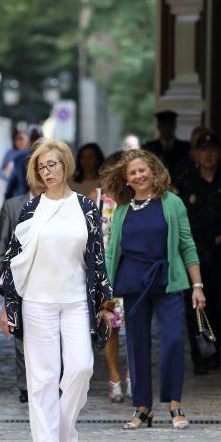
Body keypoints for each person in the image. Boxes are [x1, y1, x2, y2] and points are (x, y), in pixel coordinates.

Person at [0, 139, 114, 442]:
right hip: (37, 301)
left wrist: (105, 302)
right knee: (43, 377)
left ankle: (65, 430)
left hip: (76, 298)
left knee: (81, 367)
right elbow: (12, 257)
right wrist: (8, 302)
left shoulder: (86, 207)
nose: (47, 172)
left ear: (66, 165)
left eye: (52, 164)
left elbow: (97, 257)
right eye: (41, 166)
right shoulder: (31, 208)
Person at [102, 149, 206, 430]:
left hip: (167, 279)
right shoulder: (123, 208)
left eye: (142, 170)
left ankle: (174, 403)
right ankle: (142, 407)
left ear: (154, 171)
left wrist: (197, 285)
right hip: (133, 282)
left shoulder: (172, 203)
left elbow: (187, 245)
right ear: (126, 179)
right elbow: (112, 251)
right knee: (136, 343)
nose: (139, 176)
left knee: (173, 339)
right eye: (132, 173)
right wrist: (106, 291)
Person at [176, 132, 221, 374]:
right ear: (195, 153)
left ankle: (214, 350)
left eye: (212, 149)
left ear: (219, 152)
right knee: (193, 304)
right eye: (202, 149)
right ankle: (199, 356)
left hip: (220, 251)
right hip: (192, 252)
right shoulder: (185, 180)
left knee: (218, 303)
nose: (208, 154)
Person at [0, 188, 40, 404]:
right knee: (20, 333)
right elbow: (2, 239)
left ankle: (51, 381)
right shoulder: (12, 205)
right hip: (19, 276)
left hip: (51, 277)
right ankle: (26, 386)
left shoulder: (62, 202)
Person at [93, 151, 129, 403]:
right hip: (106, 275)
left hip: (132, 271)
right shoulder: (96, 199)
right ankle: (114, 377)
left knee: (136, 327)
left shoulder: (136, 200)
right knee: (110, 327)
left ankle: (132, 375)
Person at [143, 110, 191, 175]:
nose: (167, 129)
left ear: (174, 126)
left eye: (169, 125)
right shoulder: (149, 147)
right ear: (159, 127)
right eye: (164, 126)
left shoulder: (185, 148)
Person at [5, 125, 44, 200]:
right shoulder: (19, 159)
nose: (35, 141)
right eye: (33, 138)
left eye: (36, 137)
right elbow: (11, 185)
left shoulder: (49, 159)